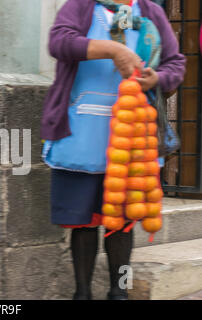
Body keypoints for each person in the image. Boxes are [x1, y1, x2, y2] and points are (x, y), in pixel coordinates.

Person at [41, 0, 185, 300]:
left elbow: (175, 63)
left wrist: (157, 78)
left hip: (135, 137)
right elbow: (59, 42)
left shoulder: (151, 12)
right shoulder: (80, 7)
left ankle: (119, 291)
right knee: (82, 224)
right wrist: (113, 49)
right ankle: (82, 293)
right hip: (82, 132)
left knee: (124, 225)